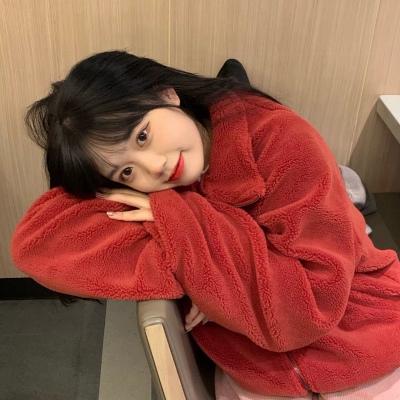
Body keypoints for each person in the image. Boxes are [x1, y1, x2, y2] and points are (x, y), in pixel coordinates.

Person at [11, 51, 400, 399]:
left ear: (166, 94)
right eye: (126, 171)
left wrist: (201, 256)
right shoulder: (159, 195)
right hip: (258, 370)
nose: (154, 167)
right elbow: (36, 245)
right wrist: (200, 255)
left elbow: (311, 305)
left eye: (142, 136)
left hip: (360, 335)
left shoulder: (283, 140)